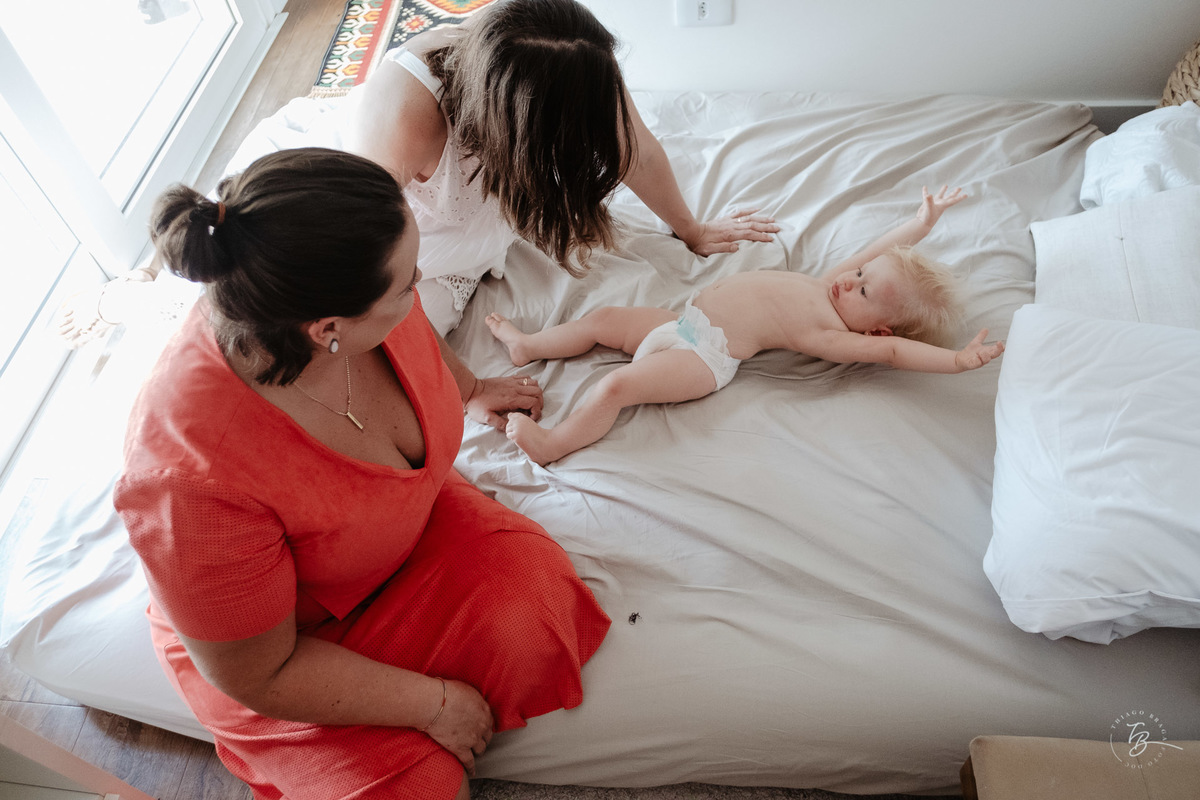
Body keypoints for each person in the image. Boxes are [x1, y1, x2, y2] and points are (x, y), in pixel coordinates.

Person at [113, 147, 610, 800]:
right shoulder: (190, 478)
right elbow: (260, 671)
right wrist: (433, 704)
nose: (421, 281)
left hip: (392, 544)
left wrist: (472, 387)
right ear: (328, 330)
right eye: (406, 282)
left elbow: (418, 336)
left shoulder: (352, 304)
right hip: (282, 649)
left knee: (537, 616)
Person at [486, 186, 1006, 465]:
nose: (851, 280)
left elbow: (897, 356)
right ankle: (527, 345)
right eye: (859, 274)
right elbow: (876, 252)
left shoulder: (830, 335)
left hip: (703, 359)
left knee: (617, 386)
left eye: (865, 291)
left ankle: (553, 444)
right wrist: (922, 223)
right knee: (602, 320)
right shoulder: (830, 284)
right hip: (682, 322)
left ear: (876, 332)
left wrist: (957, 361)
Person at [344, 0, 779, 332]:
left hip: (485, 228)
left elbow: (635, 150)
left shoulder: (566, 51)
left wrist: (693, 230)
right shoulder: (405, 113)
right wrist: (471, 387)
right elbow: (363, 249)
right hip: (412, 249)